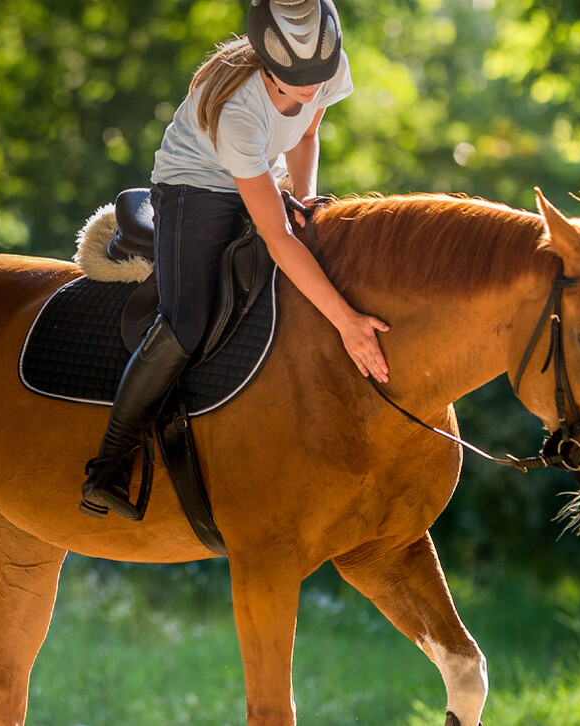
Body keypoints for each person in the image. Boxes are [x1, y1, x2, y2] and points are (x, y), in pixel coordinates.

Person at [79, 0, 390, 520]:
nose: (315, 90)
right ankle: (106, 467)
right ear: (269, 71)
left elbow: (308, 133)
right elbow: (276, 238)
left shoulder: (324, 67)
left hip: (259, 170)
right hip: (194, 184)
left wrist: (305, 196)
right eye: (299, 82)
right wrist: (347, 322)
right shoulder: (236, 111)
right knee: (187, 322)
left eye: (320, 79)